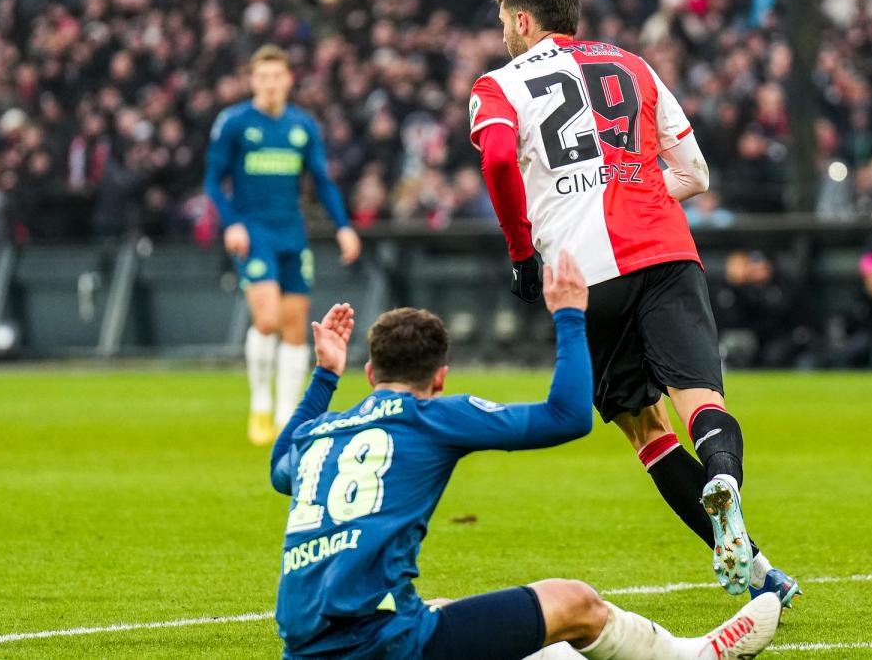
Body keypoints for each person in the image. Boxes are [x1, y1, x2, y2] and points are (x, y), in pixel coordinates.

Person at [270, 251, 782, 659]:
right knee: (574, 601)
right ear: (440, 377)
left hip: (306, 646)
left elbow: (279, 467)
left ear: (368, 373)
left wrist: (323, 377)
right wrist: (569, 319)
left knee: (450, 612)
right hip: (381, 643)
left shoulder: (321, 432)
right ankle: (689, 656)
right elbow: (568, 417)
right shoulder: (432, 415)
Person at [469, 0, 799, 603]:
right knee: (699, 398)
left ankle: (757, 572)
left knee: (644, 426)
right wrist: (638, 195)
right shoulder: (633, 63)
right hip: (668, 250)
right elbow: (696, 173)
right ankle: (725, 483)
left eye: (501, 17)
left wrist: (520, 252)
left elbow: (495, 160)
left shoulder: (498, 85)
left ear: (521, 18)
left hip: (585, 272)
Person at [204, 45, 363, 446]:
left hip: (292, 230)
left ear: (288, 80)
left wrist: (343, 226)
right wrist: (232, 223)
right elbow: (212, 180)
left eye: (278, 77)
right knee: (268, 318)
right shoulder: (234, 122)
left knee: (295, 330)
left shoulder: (302, 125)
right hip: (254, 231)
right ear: (253, 80)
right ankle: (260, 403)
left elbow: (322, 181)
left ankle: (285, 419)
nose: (271, 84)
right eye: (264, 77)